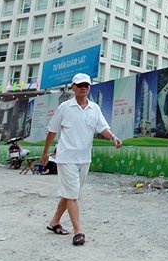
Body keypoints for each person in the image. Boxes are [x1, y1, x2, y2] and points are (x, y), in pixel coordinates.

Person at [40, 73, 122, 246]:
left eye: (86, 85)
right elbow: (52, 130)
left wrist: (113, 137)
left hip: (84, 158)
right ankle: (78, 232)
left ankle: (54, 222)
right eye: (80, 85)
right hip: (66, 157)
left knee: (71, 193)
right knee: (72, 194)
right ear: (73, 87)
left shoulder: (94, 108)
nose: (83, 88)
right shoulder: (64, 107)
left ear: (89, 87)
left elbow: (103, 127)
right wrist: (45, 152)